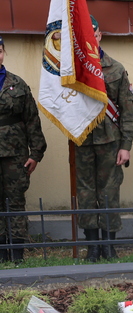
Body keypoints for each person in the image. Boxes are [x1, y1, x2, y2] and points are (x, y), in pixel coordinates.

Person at [75, 16, 133, 262]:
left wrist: (126, 146)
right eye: (85, 35)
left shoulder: (116, 69)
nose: (90, 38)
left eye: (94, 33)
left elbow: (127, 110)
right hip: (82, 139)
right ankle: (92, 247)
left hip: (111, 142)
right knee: (86, 193)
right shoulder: (72, 69)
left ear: (99, 35)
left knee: (110, 193)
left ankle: (109, 246)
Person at [0, 34, 47, 264]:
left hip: (15, 155)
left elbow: (32, 121)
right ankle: (1, 253)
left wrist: (36, 153)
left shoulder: (18, 84)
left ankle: (17, 252)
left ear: (3, 53)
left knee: (16, 201)